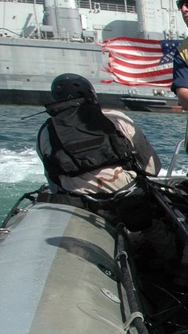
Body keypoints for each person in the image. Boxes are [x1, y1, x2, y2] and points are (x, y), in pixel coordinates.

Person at [37, 73, 161, 231]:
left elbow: (53, 177)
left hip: (80, 205)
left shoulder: (46, 131)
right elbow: (151, 166)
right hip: (128, 196)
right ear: (91, 93)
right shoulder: (117, 118)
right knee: (155, 231)